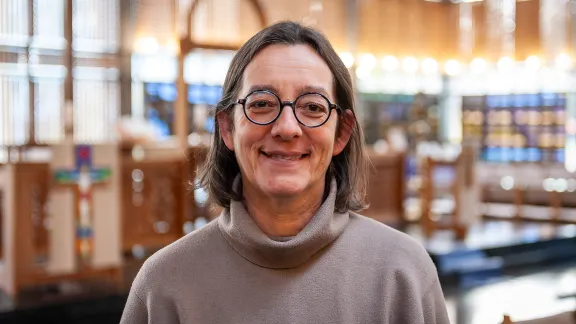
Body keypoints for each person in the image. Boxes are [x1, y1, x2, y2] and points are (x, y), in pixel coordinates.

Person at [120, 21, 450, 324]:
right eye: (261, 103)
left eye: (313, 107)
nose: (287, 127)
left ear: (342, 133)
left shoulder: (402, 273)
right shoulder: (164, 283)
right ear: (227, 128)